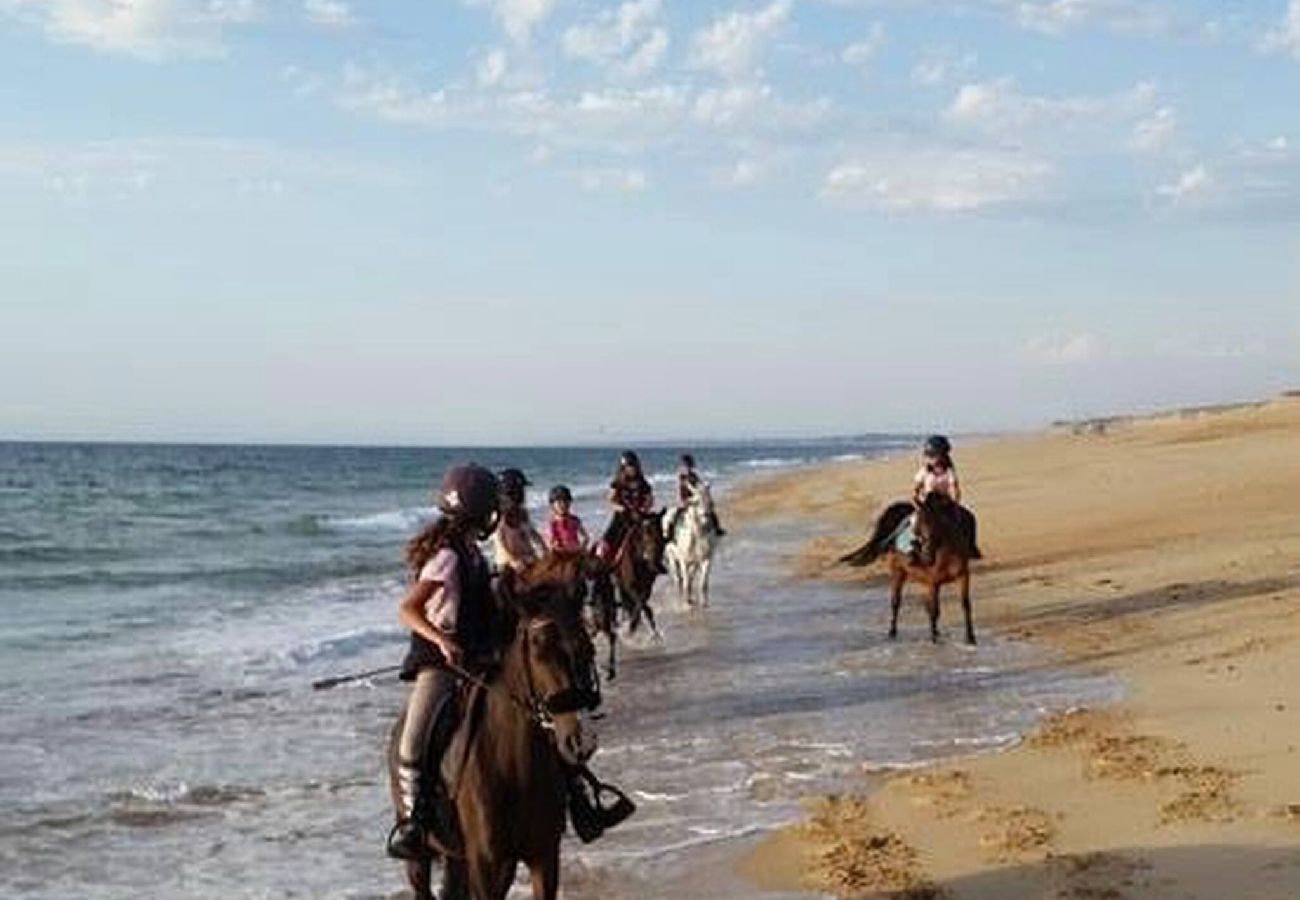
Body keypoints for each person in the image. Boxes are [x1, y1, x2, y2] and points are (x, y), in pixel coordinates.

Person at [388, 463, 500, 861]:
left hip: (480, 656)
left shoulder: (473, 554)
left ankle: (572, 791)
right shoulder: (448, 558)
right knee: (412, 739)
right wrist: (441, 641)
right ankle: (413, 823)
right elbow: (408, 609)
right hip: (441, 662)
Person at [902, 435, 981, 559]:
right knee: (912, 522)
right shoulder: (924, 471)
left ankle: (971, 547)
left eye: (933, 455)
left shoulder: (949, 472)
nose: (930, 459)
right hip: (926, 504)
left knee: (969, 518)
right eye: (928, 456)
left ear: (943, 455)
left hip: (944, 503)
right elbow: (915, 489)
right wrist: (916, 501)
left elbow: (955, 489)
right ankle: (911, 549)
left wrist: (954, 501)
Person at [598, 450, 657, 564]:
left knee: (654, 535)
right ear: (623, 468)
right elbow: (611, 500)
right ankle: (603, 563)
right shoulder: (618, 483)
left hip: (639, 515)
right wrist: (621, 508)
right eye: (628, 466)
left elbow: (650, 500)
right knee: (608, 539)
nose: (631, 469)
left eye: (633, 466)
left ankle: (656, 560)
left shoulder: (643, 483)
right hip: (622, 516)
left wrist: (644, 508)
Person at [492, 467, 546, 572]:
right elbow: (499, 538)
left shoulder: (522, 513)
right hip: (507, 564)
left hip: (528, 558)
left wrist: (543, 548)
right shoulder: (499, 515)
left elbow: (532, 533)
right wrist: (513, 560)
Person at [669, 453, 726, 538]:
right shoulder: (680, 477)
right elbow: (678, 490)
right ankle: (670, 535)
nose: (686, 468)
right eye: (684, 466)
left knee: (711, 513)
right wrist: (682, 501)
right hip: (684, 501)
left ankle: (717, 528)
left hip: (695, 499)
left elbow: (700, 485)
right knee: (675, 516)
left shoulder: (694, 476)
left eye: (688, 466)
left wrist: (705, 488)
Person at [546, 484, 589, 554]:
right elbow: (551, 542)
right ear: (552, 505)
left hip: (576, 552)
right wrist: (556, 546)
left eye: (566, 501)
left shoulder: (575, 520)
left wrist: (581, 547)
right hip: (561, 554)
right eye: (559, 502)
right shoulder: (553, 523)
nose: (563, 504)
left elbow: (586, 537)